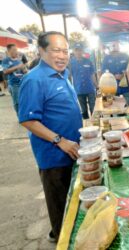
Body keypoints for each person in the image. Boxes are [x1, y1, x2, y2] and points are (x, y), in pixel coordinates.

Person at [18, 31, 82, 242]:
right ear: (42, 51)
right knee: (59, 205)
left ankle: (65, 233)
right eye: (56, 50)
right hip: (53, 156)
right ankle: (61, 239)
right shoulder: (34, 80)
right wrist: (59, 140)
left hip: (71, 151)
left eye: (65, 51)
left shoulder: (62, 73)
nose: (62, 55)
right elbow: (28, 120)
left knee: (70, 203)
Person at [70, 43, 97, 119]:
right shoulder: (71, 63)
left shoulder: (88, 61)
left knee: (93, 108)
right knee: (83, 110)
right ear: (74, 51)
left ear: (83, 51)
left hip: (90, 89)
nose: (78, 52)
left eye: (80, 50)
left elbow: (92, 74)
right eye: (76, 50)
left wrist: (97, 86)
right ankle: (87, 126)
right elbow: (69, 76)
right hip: (79, 90)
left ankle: (95, 125)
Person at [101, 40, 129, 104]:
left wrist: (123, 75)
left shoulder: (126, 56)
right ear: (111, 47)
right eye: (113, 46)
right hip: (111, 87)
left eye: (117, 45)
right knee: (113, 107)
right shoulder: (106, 58)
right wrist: (113, 76)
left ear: (120, 47)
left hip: (126, 87)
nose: (115, 47)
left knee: (127, 106)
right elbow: (104, 71)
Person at [2, 44, 27, 114]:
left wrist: (24, 69)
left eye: (16, 49)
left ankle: (24, 115)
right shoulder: (6, 60)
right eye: (14, 50)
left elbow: (24, 71)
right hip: (14, 84)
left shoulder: (19, 60)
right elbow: (5, 71)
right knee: (17, 102)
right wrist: (17, 67)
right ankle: (20, 117)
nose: (16, 51)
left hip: (23, 82)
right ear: (9, 51)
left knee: (24, 100)